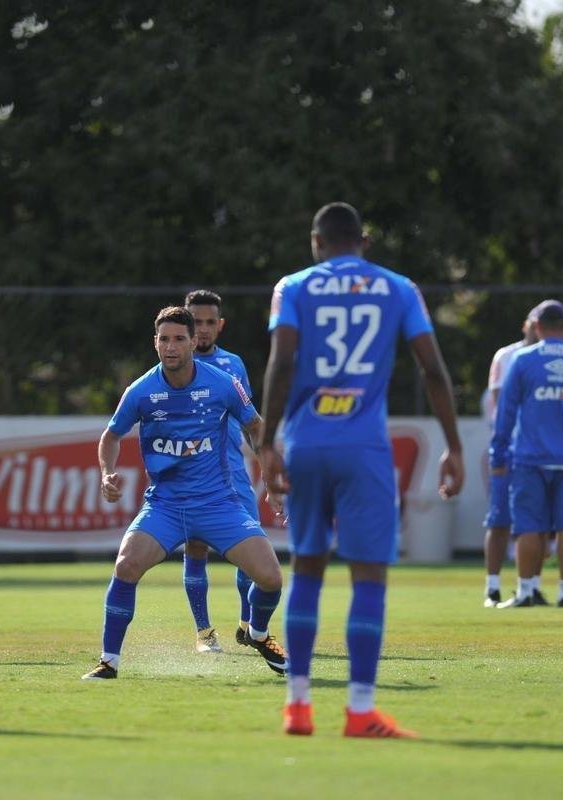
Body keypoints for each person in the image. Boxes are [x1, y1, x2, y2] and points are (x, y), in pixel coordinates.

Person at [260, 202, 464, 738]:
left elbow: (281, 363)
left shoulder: (293, 286)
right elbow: (433, 370)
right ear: (364, 242)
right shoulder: (399, 288)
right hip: (364, 448)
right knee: (369, 574)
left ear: (316, 241)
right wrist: (455, 446)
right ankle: (360, 711)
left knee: (307, 566)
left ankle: (298, 708)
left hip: (306, 443)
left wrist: (266, 443)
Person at [82, 306, 287, 680]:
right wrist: (107, 472)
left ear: (194, 342)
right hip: (165, 505)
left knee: (272, 577)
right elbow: (111, 436)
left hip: (217, 504)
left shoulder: (223, 383)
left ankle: (257, 632)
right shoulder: (141, 391)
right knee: (126, 565)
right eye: (164, 339)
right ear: (155, 343)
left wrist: (272, 478)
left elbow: (255, 427)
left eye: (179, 339)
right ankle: (108, 661)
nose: (171, 346)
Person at [180, 289, 264, 654]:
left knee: (251, 547)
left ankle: (247, 624)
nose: (202, 329)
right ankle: (204, 632)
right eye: (195, 322)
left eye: (209, 322)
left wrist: (271, 470)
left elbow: (250, 421)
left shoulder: (233, 365)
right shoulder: (170, 368)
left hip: (233, 471)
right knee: (196, 548)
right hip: (190, 475)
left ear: (220, 325)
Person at [490, 300, 563, 609]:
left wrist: (497, 454)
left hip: (529, 457)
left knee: (527, 526)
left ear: (537, 327)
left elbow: (506, 411)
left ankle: (526, 591)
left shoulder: (523, 359)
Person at [480, 314, 538, 607]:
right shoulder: (507, 355)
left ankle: (531, 586)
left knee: (534, 522)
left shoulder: (551, 356)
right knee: (499, 517)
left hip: (536, 450)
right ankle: (492, 587)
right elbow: (500, 401)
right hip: (511, 446)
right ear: (526, 324)